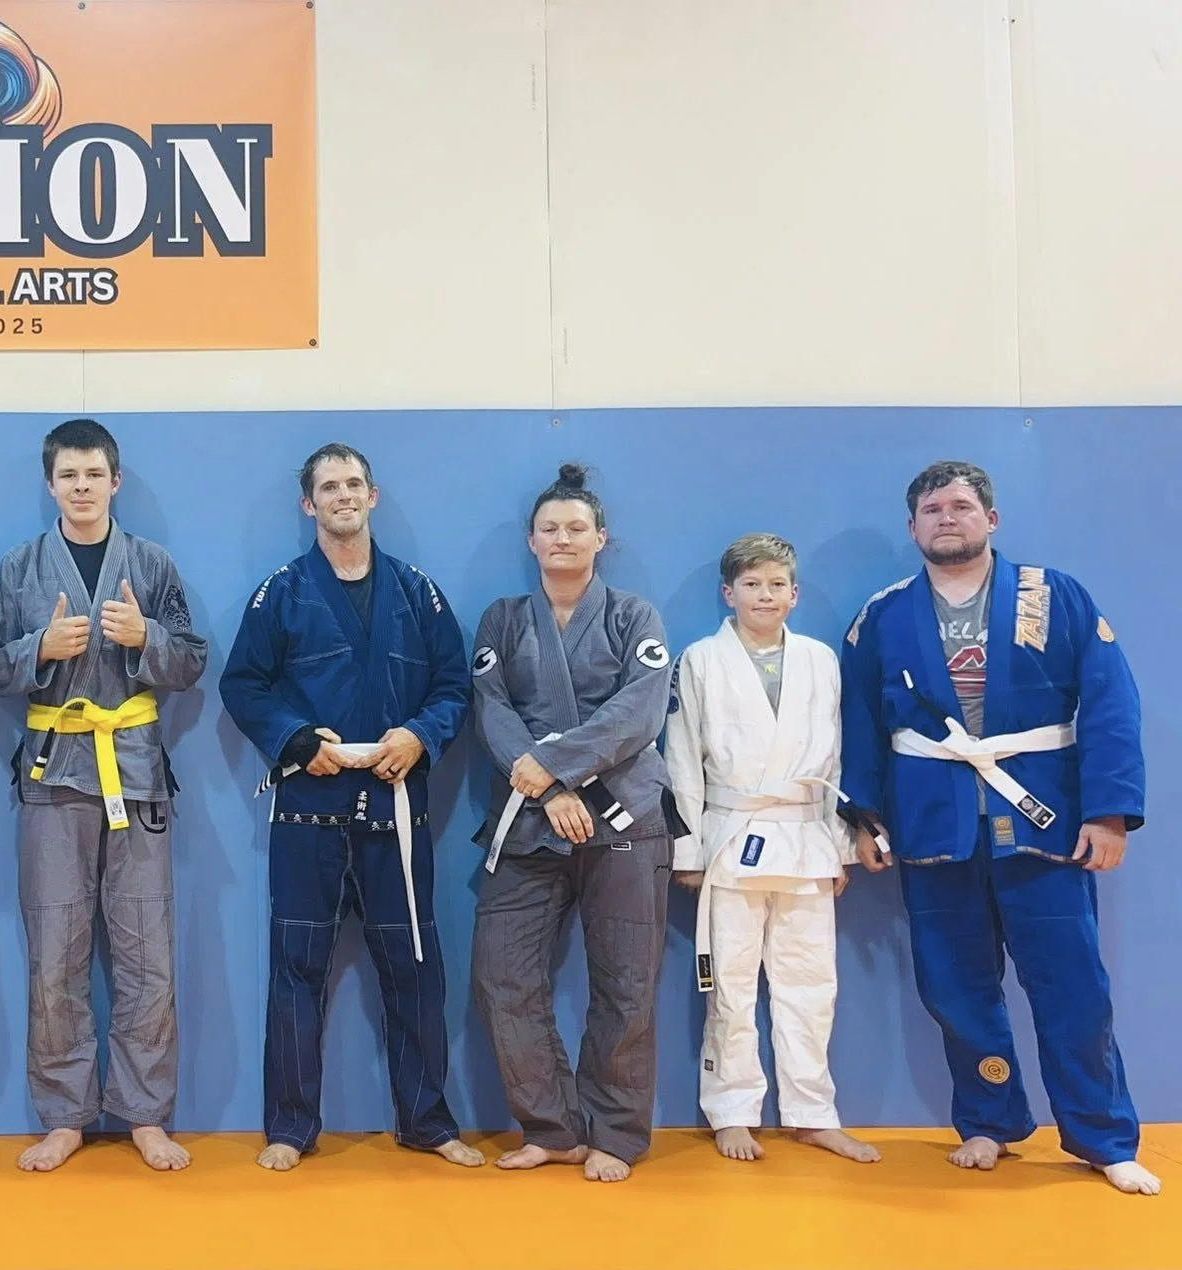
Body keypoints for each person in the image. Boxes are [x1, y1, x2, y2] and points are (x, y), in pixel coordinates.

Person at [839, 460, 1159, 1195]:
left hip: (1043, 822)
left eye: (960, 506)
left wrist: (1110, 813)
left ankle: (1102, 1136)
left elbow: (1111, 704)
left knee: (1073, 986)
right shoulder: (882, 615)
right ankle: (989, 1121)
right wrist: (864, 819)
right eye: (931, 509)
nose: (946, 518)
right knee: (956, 988)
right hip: (933, 824)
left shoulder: (1058, 596)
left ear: (992, 519)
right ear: (913, 527)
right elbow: (859, 725)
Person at [219, 442, 484, 1173]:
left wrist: (422, 735)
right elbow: (243, 687)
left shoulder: (417, 592)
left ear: (373, 496)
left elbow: (454, 687)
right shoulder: (282, 591)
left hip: (395, 807)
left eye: (354, 484)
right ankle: (290, 1127)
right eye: (327, 487)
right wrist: (297, 739)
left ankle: (428, 1122)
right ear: (309, 504)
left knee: (415, 970)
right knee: (294, 971)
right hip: (309, 807)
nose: (342, 495)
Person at [0, 418, 207, 1173]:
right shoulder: (17, 568)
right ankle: (65, 1115)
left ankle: (145, 1114)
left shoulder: (153, 563)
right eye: (67, 476)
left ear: (115, 481)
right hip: (53, 776)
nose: (80, 487)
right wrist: (36, 649)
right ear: (51, 485)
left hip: (135, 777)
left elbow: (193, 661)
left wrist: (145, 639)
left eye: (92, 475)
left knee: (147, 954)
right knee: (55, 955)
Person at [467, 463, 671, 1184]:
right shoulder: (502, 619)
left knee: (626, 982)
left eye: (576, 528)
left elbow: (640, 711)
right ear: (531, 540)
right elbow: (492, 707)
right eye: (550, 528)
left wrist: (560, 769)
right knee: (503, 977)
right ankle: (551, 1126)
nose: (563, 538)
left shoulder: (634, 617)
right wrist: (546, 786)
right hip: (529, 821)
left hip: (625, 818)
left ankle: (616, 1131)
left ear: (600, 539)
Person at [663, 533, 879, 1164]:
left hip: (807, 835)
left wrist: (840, 842)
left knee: (812, 983)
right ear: (729, 594)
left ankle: (813, 1112)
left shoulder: (820, 660)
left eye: (777, 584)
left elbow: (837, 757)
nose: (765, 595)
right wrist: (689, 850)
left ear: (795, 594)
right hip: (731, 834)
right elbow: (682, 758)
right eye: (752, 584)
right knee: (730, 983)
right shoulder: (701, 660)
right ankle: (731, 1110)